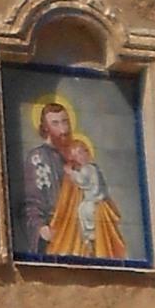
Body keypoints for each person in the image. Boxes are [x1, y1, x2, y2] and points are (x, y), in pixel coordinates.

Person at [24, 94, 130, 262]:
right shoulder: (38, 158)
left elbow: (98, 191)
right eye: (56, 123)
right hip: (60, 232)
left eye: (65, 122)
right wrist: (40, 228)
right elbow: (32, 202)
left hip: (87, 229)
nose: (63, 129)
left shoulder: (78, 153)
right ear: (45, 128)